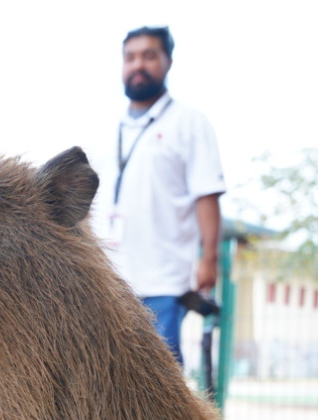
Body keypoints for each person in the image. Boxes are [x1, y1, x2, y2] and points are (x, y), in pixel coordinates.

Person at [97, 26, 226, 364]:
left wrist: (208, 258)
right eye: (131, 57)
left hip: (163, 280)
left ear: (168, 62)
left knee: (159, 386)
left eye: (149, 56)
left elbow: (206, 195)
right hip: (109, 281)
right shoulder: (109, 130)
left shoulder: (189, 123)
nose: (138, 64)